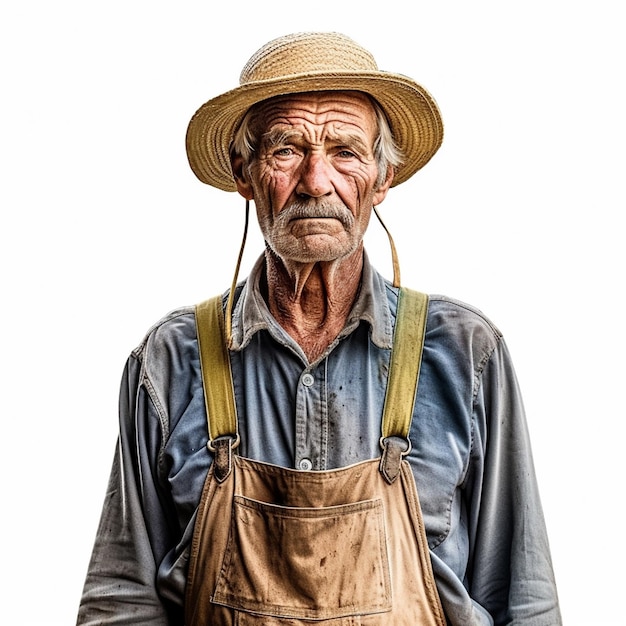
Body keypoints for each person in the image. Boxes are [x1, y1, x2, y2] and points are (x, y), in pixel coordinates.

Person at [77, 32, 562, 625]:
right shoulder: (171, 361)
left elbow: (525, 600)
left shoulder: (465, 354)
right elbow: (121, 602)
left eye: (345, 152)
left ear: (382, 179)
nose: (316, 181)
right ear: (245, 173)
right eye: (286, 150)